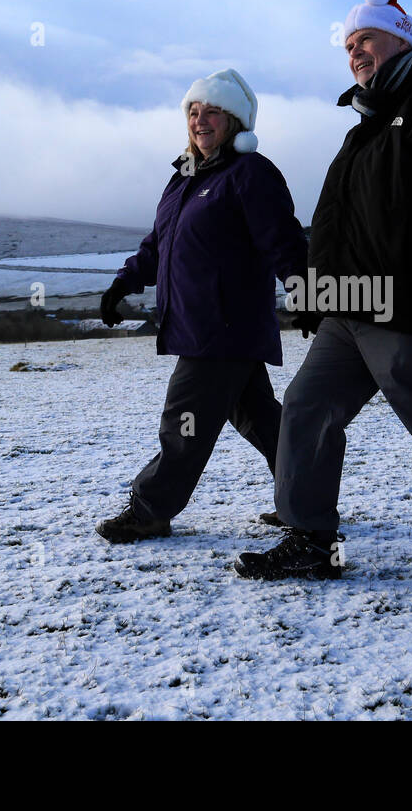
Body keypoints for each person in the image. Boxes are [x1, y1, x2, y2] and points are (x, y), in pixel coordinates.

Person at [235, 0, 412, 587]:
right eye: (347, 45)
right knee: (307, 408)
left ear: (401, 38)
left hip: (411, 305)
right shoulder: (361, 130)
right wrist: (316, 294)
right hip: (349, 310)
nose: (355, 52)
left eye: (365, 39)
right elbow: (334, 226)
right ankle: (310, 539)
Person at [96, 68, 308, 543]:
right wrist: (122, 283)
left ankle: (150, 509)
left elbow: (283, 240)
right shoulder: (185, 179)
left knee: (183, 421)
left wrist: (305, 292)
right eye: (193, 111)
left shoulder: (249, 173)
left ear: (234, 121)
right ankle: (306, 498)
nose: (200, 119)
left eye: (212, 110)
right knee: (261, 420)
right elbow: (158, 247)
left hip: (222, 328)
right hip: (201, 325)